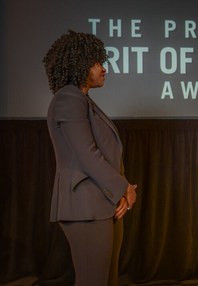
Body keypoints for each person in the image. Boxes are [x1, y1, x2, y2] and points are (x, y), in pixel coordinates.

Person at [43, 30, 137, 286]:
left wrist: (121, 190)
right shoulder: (68, 98)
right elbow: (87, 155)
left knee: (107, 280)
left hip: (101, 204)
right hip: (84, 205)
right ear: (79, 64)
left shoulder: (83, 99)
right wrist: (124, 188)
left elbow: (104, 154)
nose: (103, 68)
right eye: (97, 62)